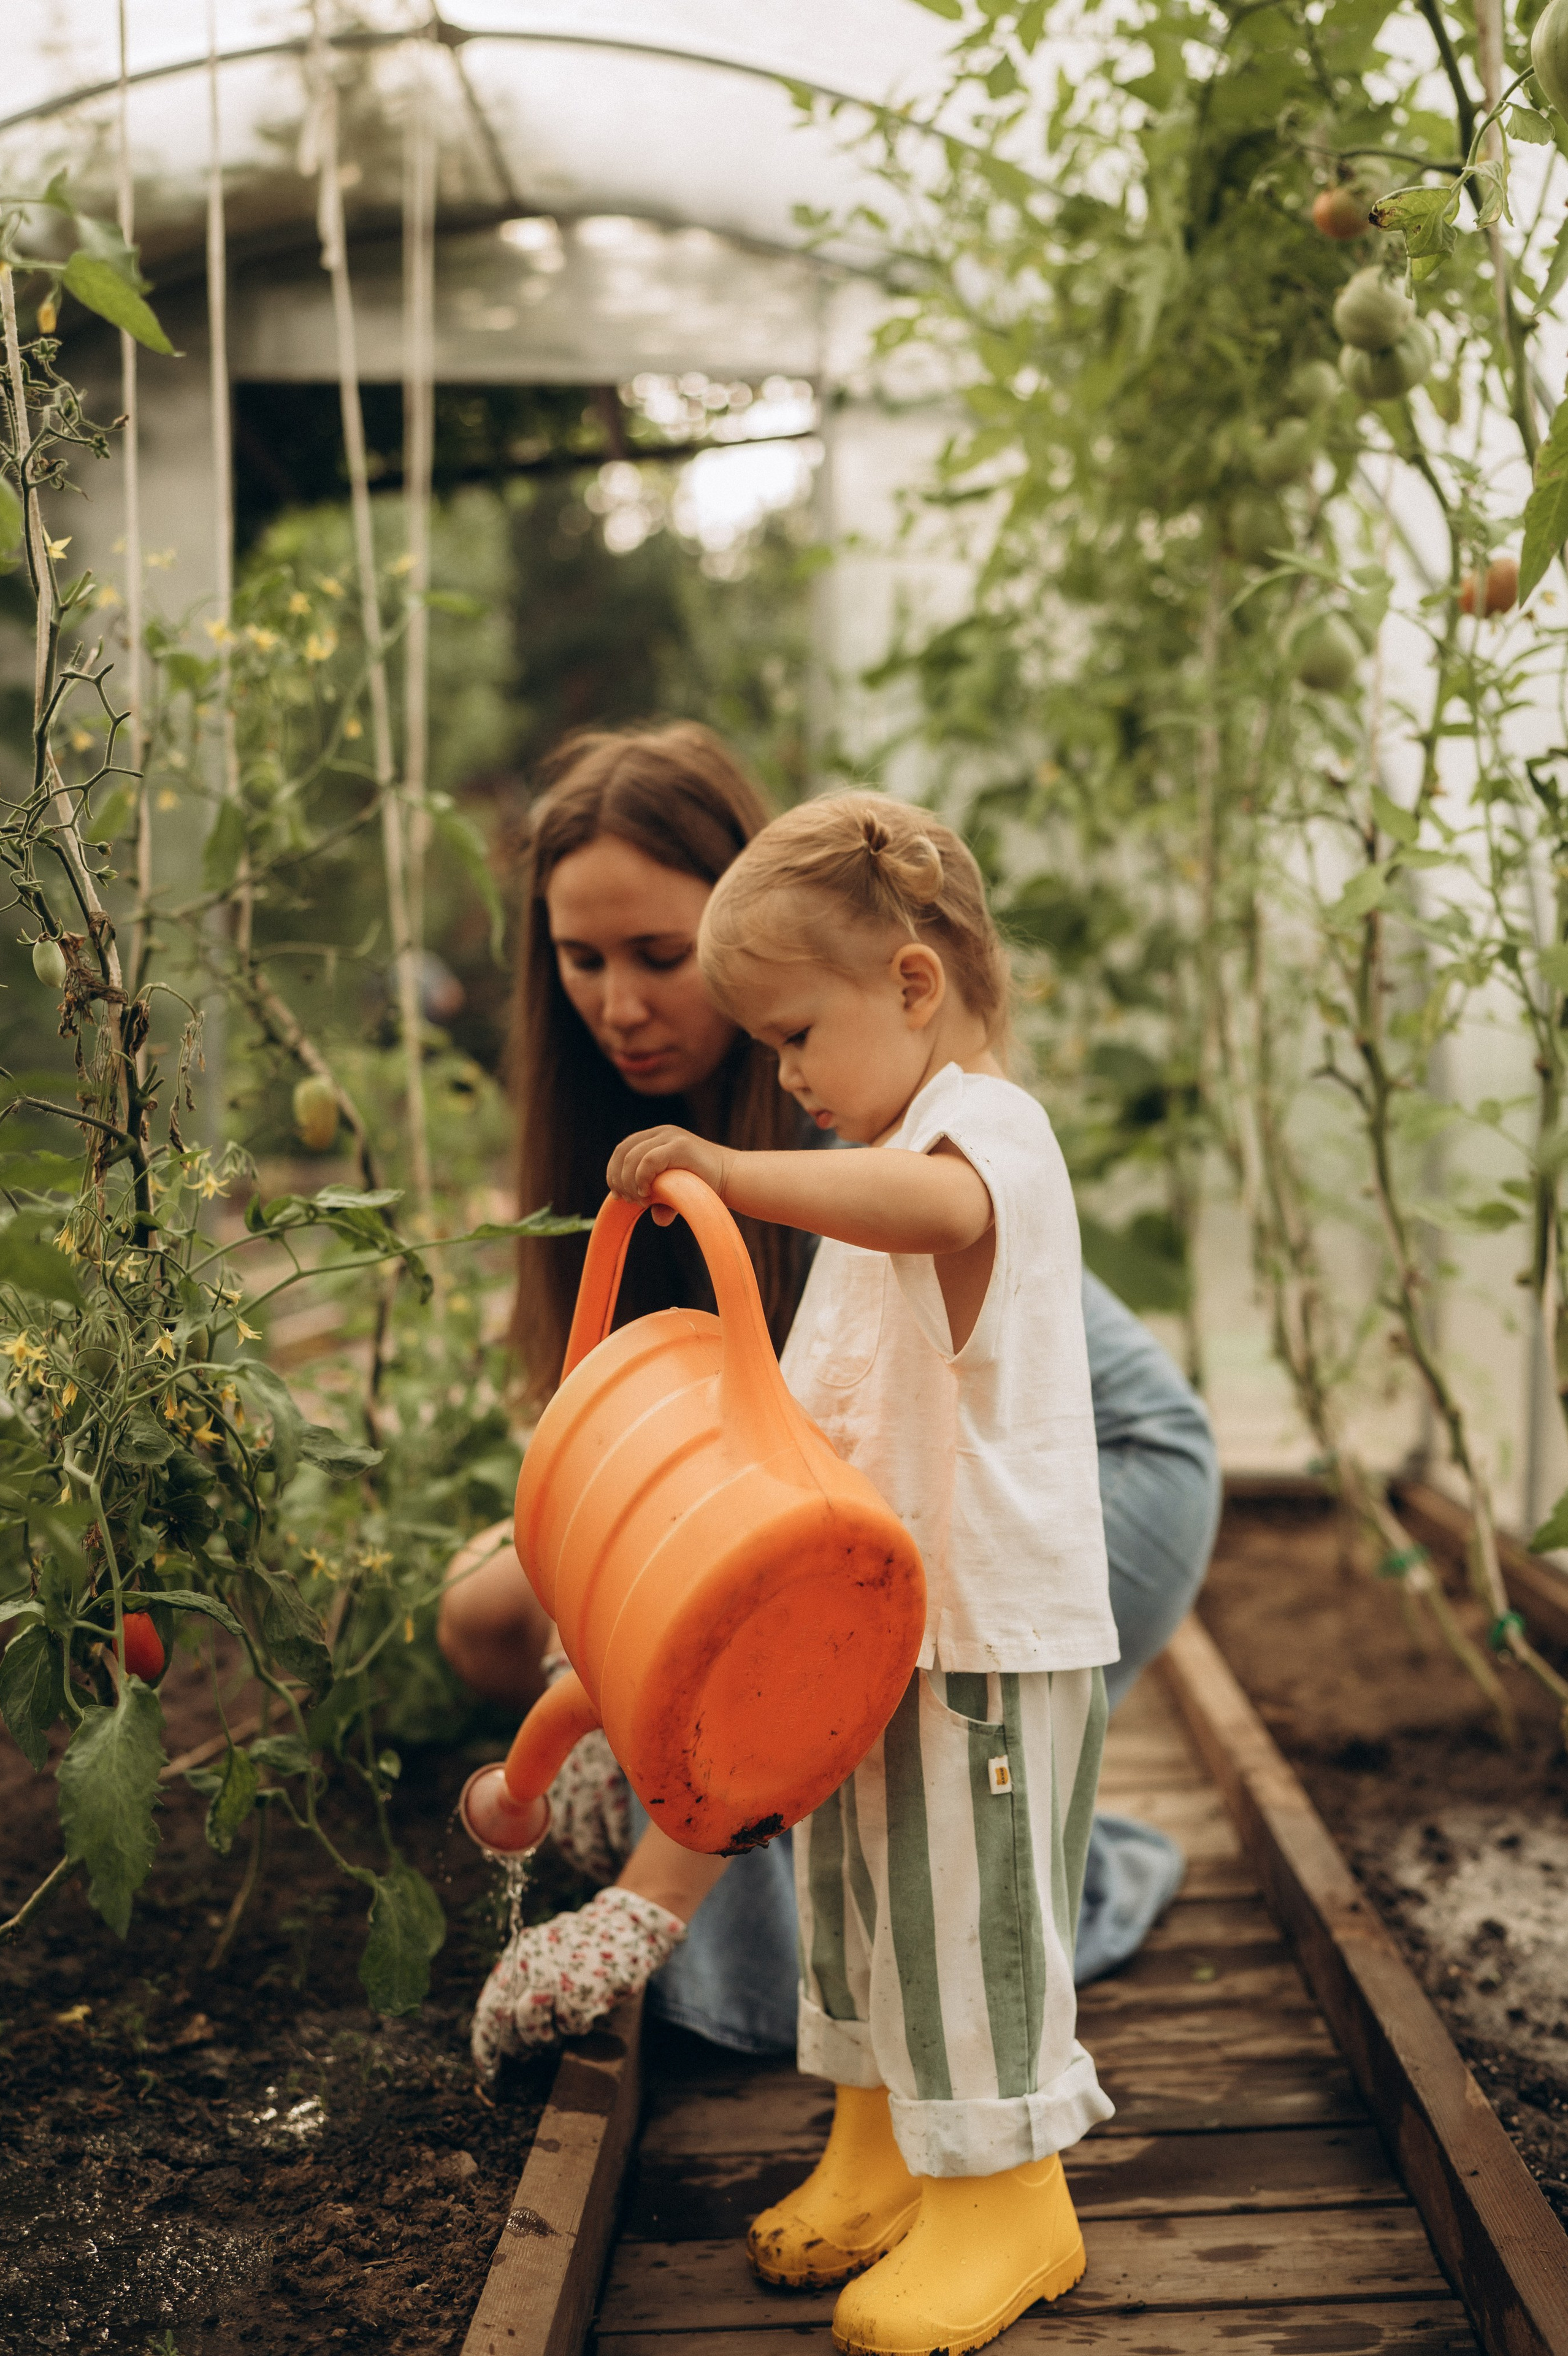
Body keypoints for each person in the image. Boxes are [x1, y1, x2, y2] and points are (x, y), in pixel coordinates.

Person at [440, 722, 1218, 2058]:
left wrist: (646, 1895)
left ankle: (981, 1904)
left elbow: (806, 1547)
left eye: (660, 956)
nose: (618, 1005)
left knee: (862, 1831)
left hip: (1097, 1479)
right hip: (879, 1481)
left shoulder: (862, 1133)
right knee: (493, 1602)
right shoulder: (660, 1126)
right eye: (582, 959)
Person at [482, 792, 1123, 2355]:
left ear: (912, 983)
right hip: (877, 1631)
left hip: (984, 1639)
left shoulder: (979, 1135)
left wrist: (727, 1168)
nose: (782, 1076)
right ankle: (880, 2146)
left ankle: (1009, 2197)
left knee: (965, 1921)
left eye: (793, 1036)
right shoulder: (886, 1144)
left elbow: (934, 1210)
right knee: (861, 1908)